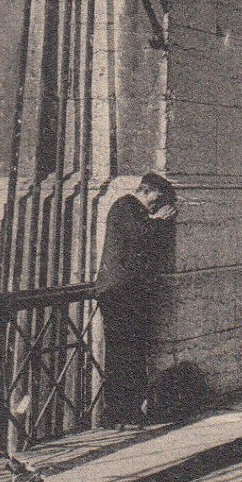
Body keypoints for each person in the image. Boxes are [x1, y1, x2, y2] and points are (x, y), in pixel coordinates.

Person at [95, 172, 178, 425]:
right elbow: (140, 236)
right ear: (145, 190)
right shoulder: (125, 206)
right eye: (157, 198)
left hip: (128, 294)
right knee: (122, 353)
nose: (157, 205)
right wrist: (160, 221)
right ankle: (118, 412)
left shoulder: (136, 211)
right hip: (119, 294)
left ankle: (127, 410)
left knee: (129, 352)